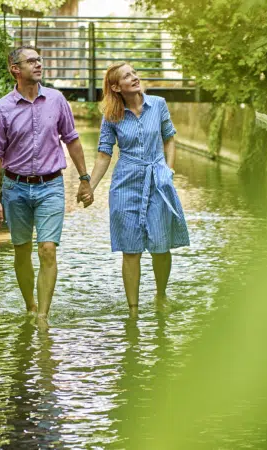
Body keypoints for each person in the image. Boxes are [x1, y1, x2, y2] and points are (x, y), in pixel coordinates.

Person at [0, 45, 93, 320]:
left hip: (51, 186)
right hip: (15, 187)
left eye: (39, 60)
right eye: (30, 61)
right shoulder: (2, 108)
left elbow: (72, 139)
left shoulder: (57, 100)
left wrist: (84, 179)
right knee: (22, 252)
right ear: (15, 70)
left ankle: (42, 317)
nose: (38, 64)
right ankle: (30, 306)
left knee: (47, 249)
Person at [83, 62, 190, 311]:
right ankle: (133, 310)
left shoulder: (159, 105)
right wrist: (91, 186)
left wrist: (168, 171)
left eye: (134, 73)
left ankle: (160, 296)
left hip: (158, 183)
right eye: (127, 76)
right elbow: (103, 155)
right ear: (115, 87)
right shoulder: (111, 115)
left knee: (161, 247)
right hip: (125, 185)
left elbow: (169, 138)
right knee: (130, 250)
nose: (134, 77)